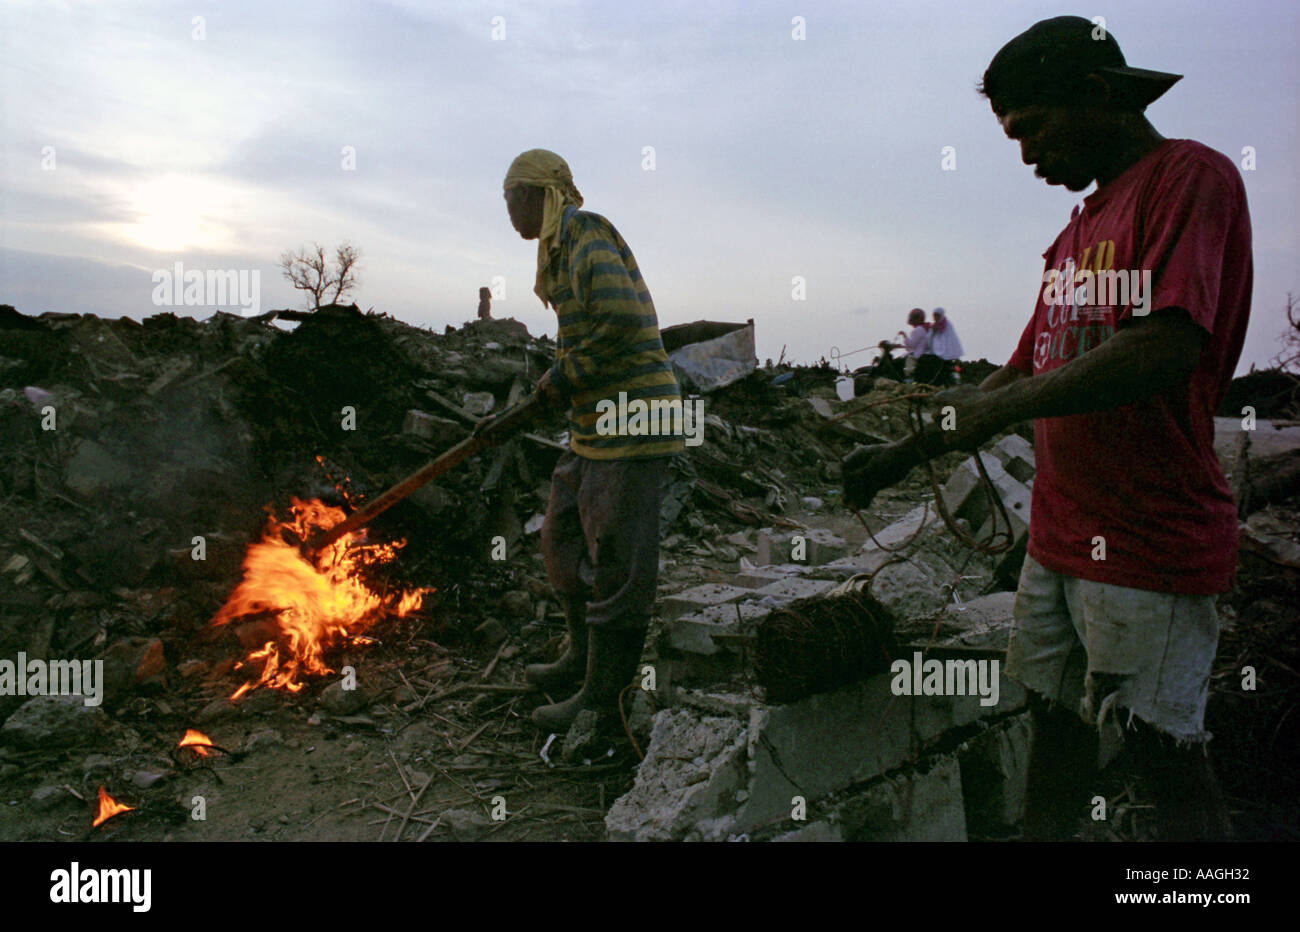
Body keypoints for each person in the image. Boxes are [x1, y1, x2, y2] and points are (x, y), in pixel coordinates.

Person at [843, 16, 1250, 841]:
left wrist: (993, 412)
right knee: (1054, 728)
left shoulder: (1188, 177)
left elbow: (1165, 346)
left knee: (1163, 753)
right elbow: (1024, 369)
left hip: (1149, 540)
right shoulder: (1073, 236)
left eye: (1033, 132)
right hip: (1059, 538)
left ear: (1097, 95)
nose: (1027, 159)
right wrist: (902, 451)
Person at [502, 148, 684, 734]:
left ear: (539, 194)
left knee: (618, 560)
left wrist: (562, 378)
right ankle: (581, 660)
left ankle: (604, 702)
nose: (508, 209)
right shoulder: (558, 251)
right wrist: (556, 380)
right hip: (597, 422)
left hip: (635, 417)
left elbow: (624, 321)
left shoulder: (586, 236)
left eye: (512, 196)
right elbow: (585, 337)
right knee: (562, 537)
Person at [900, 307, 931, 379]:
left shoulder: (918, 330)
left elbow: (912, 344)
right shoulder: (927, 327)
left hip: (919, 354)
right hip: (927, 352)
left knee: (908, 360)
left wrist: (904, 336)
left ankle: (909, 378)